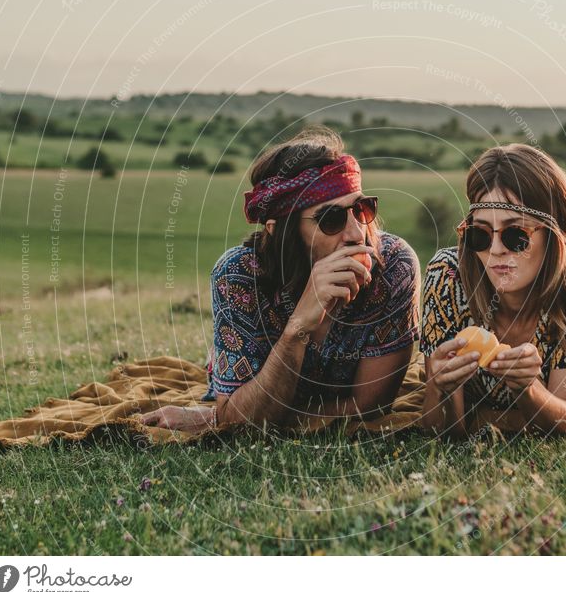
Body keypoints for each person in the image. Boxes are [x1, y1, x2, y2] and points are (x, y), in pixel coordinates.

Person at [140, 127, 420, 433]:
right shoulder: (238, 277)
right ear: (279, 231)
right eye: (331, 219)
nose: (355, 233)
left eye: (361, 209)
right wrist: (298, 328)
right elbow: (239, 420)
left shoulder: (393, 266)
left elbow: (371, 405)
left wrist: (219, 417)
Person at [419, 143, 566, 437]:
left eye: (516, 235)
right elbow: (441, 429)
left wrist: (529, 388)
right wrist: (441, 389)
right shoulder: (447, 275)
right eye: (480, 234)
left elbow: (565, 421)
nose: (497, 251)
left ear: (552, 236)